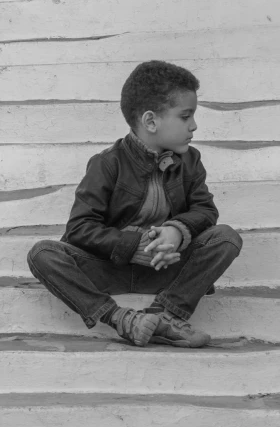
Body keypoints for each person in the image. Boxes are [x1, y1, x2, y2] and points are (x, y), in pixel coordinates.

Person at [26, 60, 243, 348]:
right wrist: (132, 247)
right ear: (151, 121)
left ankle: (165, 316)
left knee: (226, 238)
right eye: (185, 116)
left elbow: (205, 211)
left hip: (164, 267)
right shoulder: (107, 163)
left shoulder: (190, 161)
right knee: (42, 253)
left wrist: (176, 231)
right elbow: (80, 228)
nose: (193, 125)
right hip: (110, 267)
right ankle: (123, 320)